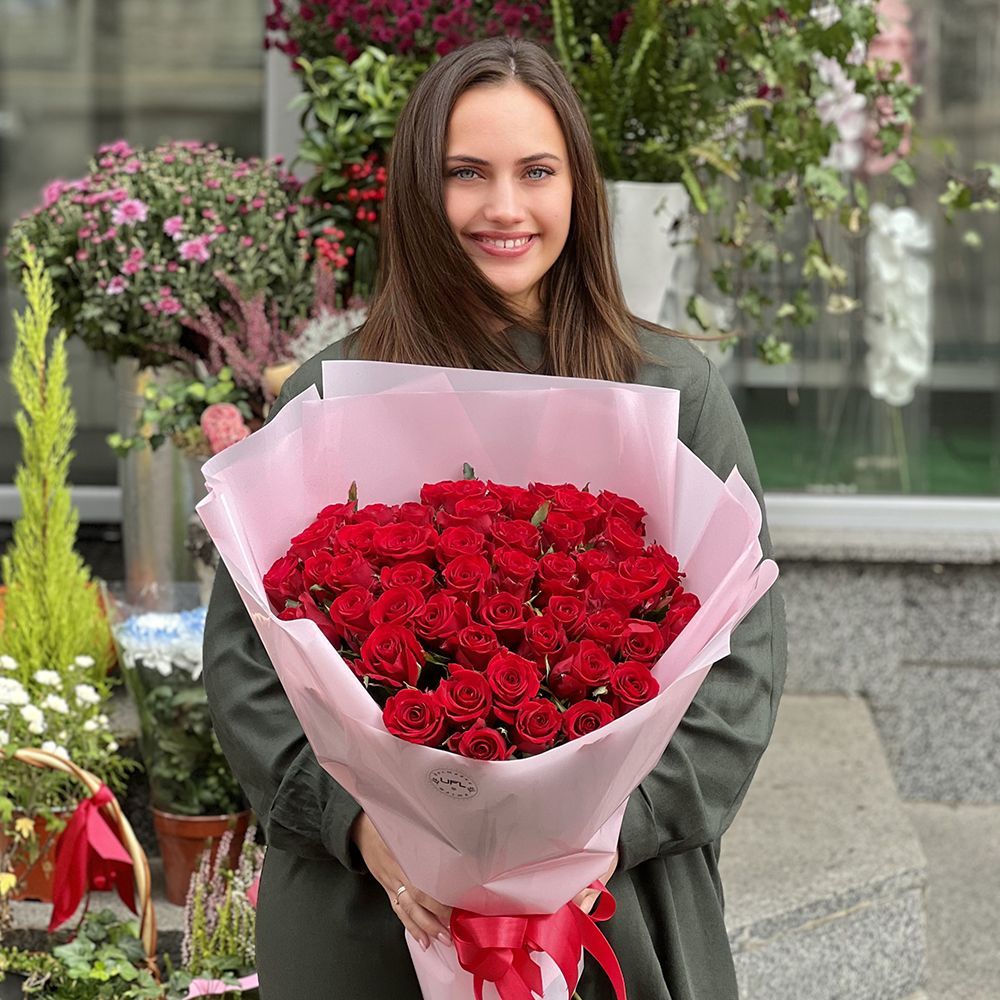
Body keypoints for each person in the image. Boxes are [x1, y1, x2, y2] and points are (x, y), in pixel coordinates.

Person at [203, 34, 787, 1000]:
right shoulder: (330, 393)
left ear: (579, 190)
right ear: (416, 192)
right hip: (373, 908)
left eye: (537, 172)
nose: (504, 207)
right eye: (465, 173)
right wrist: (366, 830)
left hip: (612, 902)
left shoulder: (673, 390)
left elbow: (742, 665)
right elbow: (246, 664)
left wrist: (598, 838)